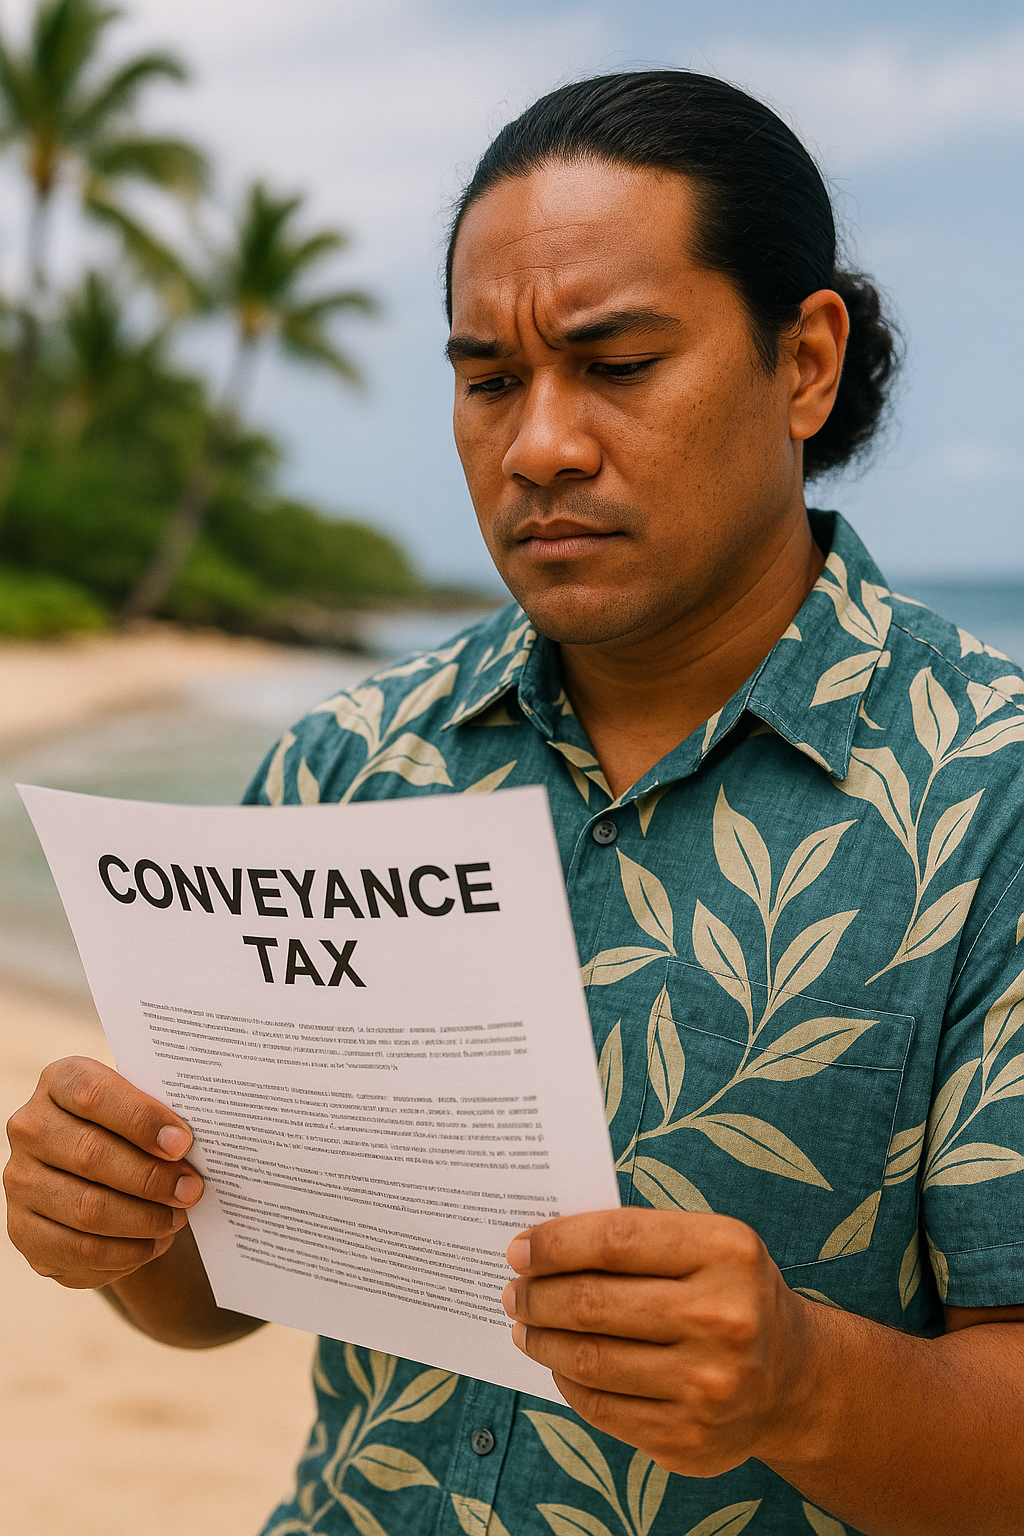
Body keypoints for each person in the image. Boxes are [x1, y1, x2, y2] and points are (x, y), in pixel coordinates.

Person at [5, 70, 1024, 1536]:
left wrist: (803, 1384)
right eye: (488, 381)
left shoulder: (987, 801)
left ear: (803, 362)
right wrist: (116, 1227)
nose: (538, 444)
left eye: (616, 364)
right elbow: (215, 1298)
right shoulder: (346, 764)